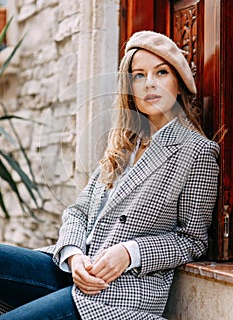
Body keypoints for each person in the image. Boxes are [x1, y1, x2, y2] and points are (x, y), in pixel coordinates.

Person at [0, 31, 219, 320]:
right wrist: (73, 255)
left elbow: (192, 240)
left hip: (118, 289)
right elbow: (78, 211)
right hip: (74, 270)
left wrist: (130, 253)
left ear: (178, 83)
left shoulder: (197, 151)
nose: (150, 83)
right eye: (139, 75)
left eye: (161, 72)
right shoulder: (122, 144)